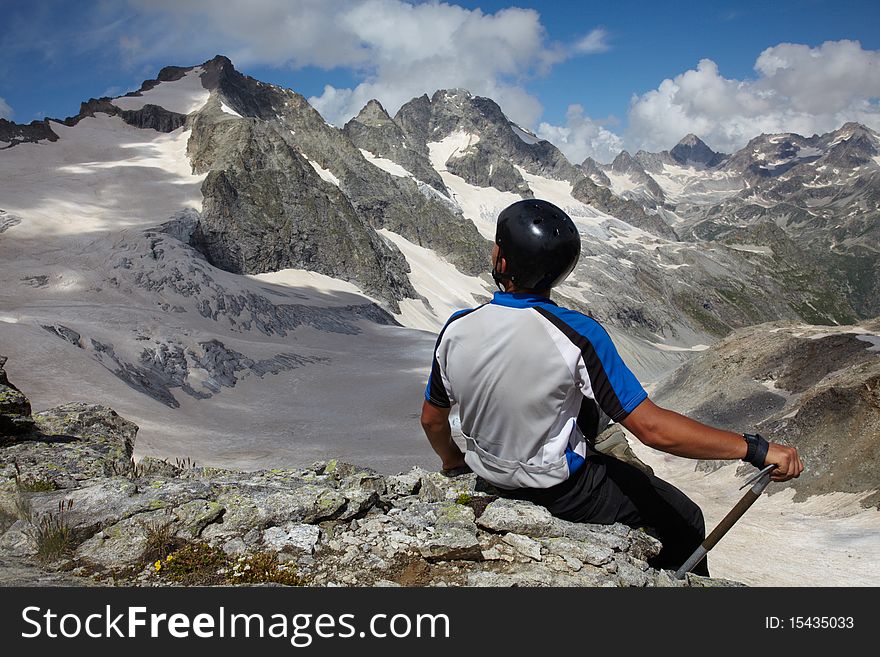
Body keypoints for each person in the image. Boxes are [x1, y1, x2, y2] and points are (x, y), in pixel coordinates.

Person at [420, 198, 804, 576]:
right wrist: (754, 448)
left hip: (489, 477)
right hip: (564, 492)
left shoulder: (455, 328)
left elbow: (432, 421)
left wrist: (455, 465)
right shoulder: (578, 333)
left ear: (502, 261)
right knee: (685, 518)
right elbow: (652, 429)